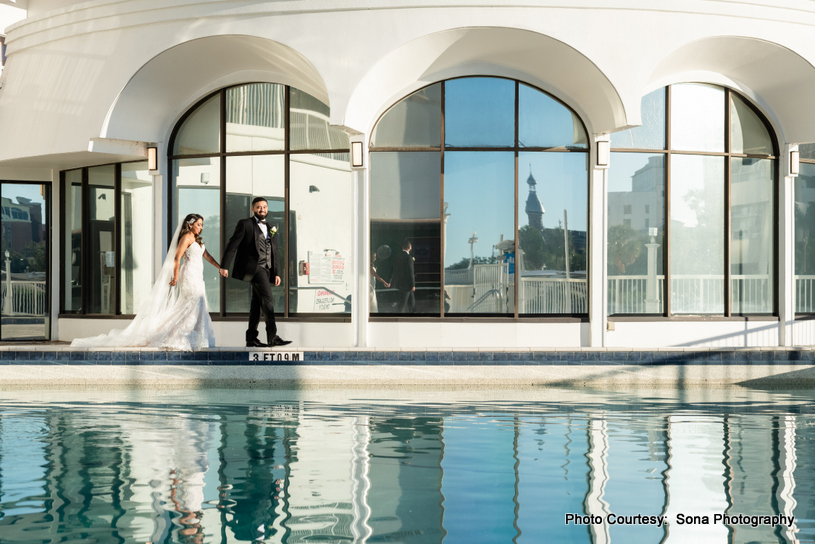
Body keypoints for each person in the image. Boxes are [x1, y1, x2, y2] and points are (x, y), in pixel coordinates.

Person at [71, 214, 218, 350]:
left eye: (202, 225)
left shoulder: (198, 241)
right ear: (190, 225)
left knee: (196, 305)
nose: (201, 227)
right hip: (189, 276)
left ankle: (194, 338)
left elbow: (207, 255)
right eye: (198, 224)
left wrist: (219, 267)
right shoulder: (186, 238)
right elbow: (176, 258)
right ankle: (179, 336)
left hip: (199, 276)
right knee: (193, 303)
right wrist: (174, 277)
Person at [220, 197, 292, 348]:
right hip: (254, 268)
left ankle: (251, 338)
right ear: (253, 209)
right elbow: (232, 245)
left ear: (267, 209)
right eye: (258, 207)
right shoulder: (245, 224)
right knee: (269, 300)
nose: (262, 210)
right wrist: (224, 265)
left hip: (267, 269)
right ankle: (273, 337)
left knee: (257, 304)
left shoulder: (272, 226)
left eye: (264, 207)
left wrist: (277, 273)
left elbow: (274, 252)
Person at [390, 239, 415, 313]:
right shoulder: (408, 258)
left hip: (400, 283)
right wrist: (413, 285)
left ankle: (413, 313)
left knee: (411, 301)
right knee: (403, 304)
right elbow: (411, 272)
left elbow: (392, 269)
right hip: (407, 284)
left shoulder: (396, 257)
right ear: (409, 247)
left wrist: (390, 280)